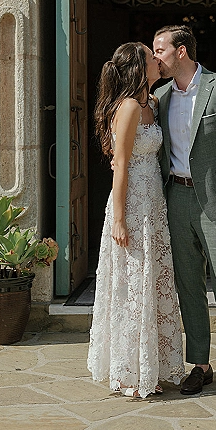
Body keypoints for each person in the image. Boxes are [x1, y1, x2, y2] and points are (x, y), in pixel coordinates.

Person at [153, 24, 216, 401]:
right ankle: (200, 365)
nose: (155, 58)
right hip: (176, 200)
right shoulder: (159, 95)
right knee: (188, 289)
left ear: (181, 51)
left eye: (160, 50)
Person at [87, 42, 185, 398]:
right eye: (151, 56)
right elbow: (122, 164)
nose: (158, 60)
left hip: (153, 205)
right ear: (140, 67)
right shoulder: (128, 107)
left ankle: (151, 366)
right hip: (131, 206)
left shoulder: (152, 103)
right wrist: (118, 220)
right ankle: (130, 372)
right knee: (132, 286)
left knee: (152, 282)